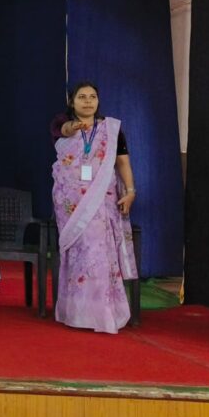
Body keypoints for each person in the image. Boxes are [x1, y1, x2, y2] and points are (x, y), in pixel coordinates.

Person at [50, 82, 137, 333]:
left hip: (102, 199)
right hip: (71, 203)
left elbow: (123, 163)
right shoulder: (61, 122)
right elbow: (63, 130)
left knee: (99, 250)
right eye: (82, 97)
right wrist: (74, 127)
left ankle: (102, 312)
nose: (88, 101)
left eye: (92, 97)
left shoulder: (111, 130)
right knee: (79, 252)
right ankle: (77, 312)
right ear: (72, 101)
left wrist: (130, 191)